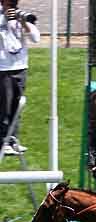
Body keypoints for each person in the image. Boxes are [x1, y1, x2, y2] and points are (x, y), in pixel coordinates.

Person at [0, 0, 39, 154]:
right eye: (9, 2)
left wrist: (23, 23)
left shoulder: (20, 17)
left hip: (20, 67)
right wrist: (4, 19)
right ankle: (3, 141)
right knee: (4, 107)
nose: (12, 6)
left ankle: (13, 140)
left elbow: (35, 38)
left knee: (17, 106)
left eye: (14, 3)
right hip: (3, 68)